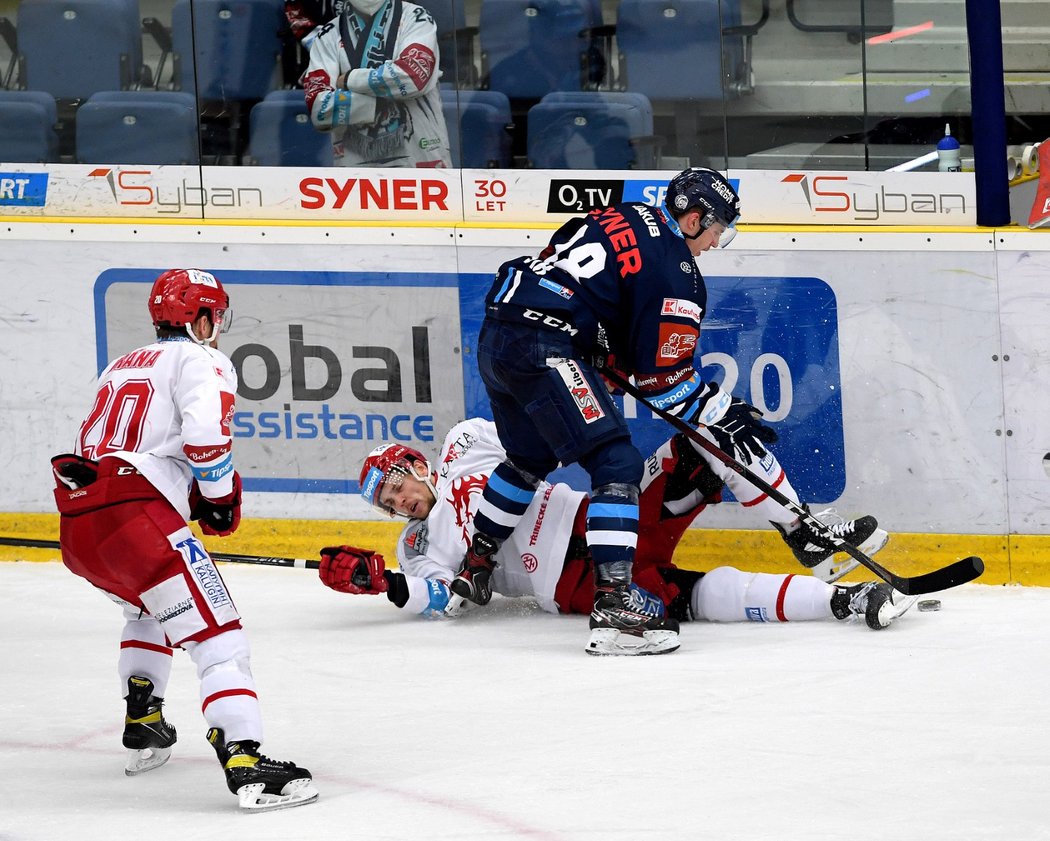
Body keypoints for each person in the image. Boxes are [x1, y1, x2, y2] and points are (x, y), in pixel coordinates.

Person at [446, 167, 886, 656]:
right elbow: (664, 383)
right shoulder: (677, 272)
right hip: (547, 349)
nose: (716, 244)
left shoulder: (623, 214)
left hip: (497, 337)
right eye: (718, 230)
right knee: (617, 464)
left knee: (527, 460)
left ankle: (475, 566)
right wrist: (721, 407)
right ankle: (615, 605)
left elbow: (565, 270)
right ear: (694, 219)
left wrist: (597, 348)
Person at [51, 269, 317, 812]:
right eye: (214, 316)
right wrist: (216, 497)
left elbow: (106, 444)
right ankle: (244, 757)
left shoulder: (119, 365)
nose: (217, 327)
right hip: (135, 519)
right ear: (199, 318)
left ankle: (144, 718)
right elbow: (204, 437)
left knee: (149, 612)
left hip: (80, 527)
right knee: (218, 637)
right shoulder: (203, 359)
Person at [317, 419, 915, 644]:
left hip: (606, 515)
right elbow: (445, 601)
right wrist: (390, 586)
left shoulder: (465, 441)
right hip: (575, 585)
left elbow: (537, 435)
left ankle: (806, 530)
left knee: (703, 438)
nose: (400, 501)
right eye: (389, 503)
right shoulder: (415, 548)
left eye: (397, 484)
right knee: (698, 597)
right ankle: (847, 600)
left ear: (414, 463)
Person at [302, 0, 451, 167]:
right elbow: (318, 107)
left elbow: (414, 76)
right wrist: (379, 102)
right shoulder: (328, 35)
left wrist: (350, 79)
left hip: (421, 159)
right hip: (356, 168)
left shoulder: (417, 18)